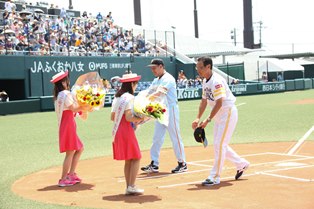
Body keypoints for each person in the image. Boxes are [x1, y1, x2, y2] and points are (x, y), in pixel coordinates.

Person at [192, 57, 250, 186]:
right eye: (197, 67)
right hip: (219, 115)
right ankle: (242, 164)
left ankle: (215, 176)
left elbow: (219, 102)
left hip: (227, 113)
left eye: (200, 67)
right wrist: (198, 117)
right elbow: (204, 101)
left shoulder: (216, 81)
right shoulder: (205, 81)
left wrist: (207, 120)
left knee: (219, 144)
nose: (198, 70)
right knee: (220, 144)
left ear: (208, 67)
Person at [141, 58, 187, 174]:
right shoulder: (156, 80)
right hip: (160, 110)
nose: (153, 70)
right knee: (157, 137)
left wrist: (145, 100)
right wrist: (141, 99)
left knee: (175, 136)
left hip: (171, 109)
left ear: (161, 66)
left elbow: (159, 93)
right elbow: (149, 92)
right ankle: (154, 163)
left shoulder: (168, 78)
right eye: (151, 68)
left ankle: (182, 163)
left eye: (154, 68)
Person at [51, 71, 88, 187]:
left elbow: (71, 109)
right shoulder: (65, 94)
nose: (68, 82)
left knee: (79, 148)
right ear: (63, 82)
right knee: (70, 152)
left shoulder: (59, 95)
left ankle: (71, 174)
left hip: (66, 123)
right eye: (66, 80)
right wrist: (87, 104)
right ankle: (63, 179)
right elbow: (73, 108)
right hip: (68, 124)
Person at [111, 73, 145, 195]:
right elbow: (129, 117)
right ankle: (132, 185)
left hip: (118, 130)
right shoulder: (129, 98)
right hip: (126, 130)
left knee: (129, 159)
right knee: (136, 157)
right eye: (135, 84)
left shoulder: (118, 97)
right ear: (131, 84)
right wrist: (142, 117)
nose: (136, 86)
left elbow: (112, 117)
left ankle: (129, 186)